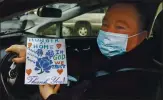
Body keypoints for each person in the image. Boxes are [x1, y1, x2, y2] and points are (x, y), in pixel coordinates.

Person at [5, 2, 160, 100]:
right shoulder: (114, 57)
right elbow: (82, 61)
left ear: (142, 36)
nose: (107, 32)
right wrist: (32, 54)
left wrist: (50, 97)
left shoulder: (142, 81)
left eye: (120, 27)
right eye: (105, 24)